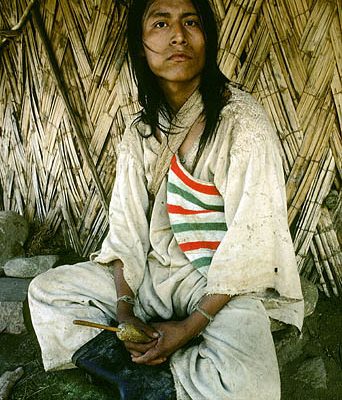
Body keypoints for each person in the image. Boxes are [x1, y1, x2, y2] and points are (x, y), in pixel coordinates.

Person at [28, 0, 304, 398]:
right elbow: (126, 230)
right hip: (151, 275)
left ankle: (151, 375)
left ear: (208, 39)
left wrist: (190, 325)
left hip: (213, 280)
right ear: (141, 45)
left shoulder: (243, 126)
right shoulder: (139, 133)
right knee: (48, 292)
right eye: (161, 23)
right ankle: (143, 373)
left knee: (252, 384)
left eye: (191, 22)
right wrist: (124, 312)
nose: (178, 35)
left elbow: (252, 245)